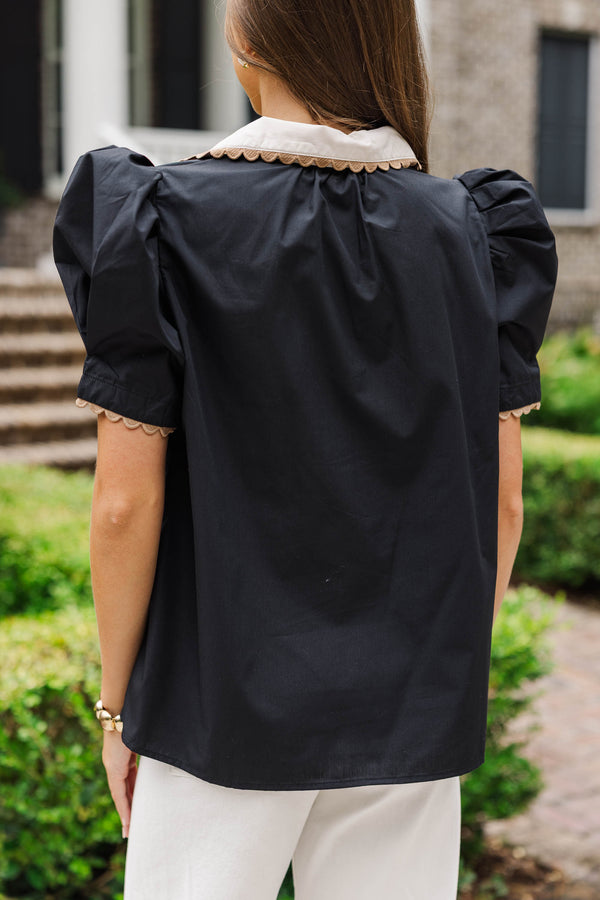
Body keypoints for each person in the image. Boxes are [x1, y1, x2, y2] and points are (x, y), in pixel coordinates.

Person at [52, 0, 558, 897]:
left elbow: (125, 503)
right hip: (409, 710)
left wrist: (115, 706)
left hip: (213, 708)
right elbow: (503, 500)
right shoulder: (476, 230)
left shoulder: (162, 219)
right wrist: (445, 674)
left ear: (248, 39)